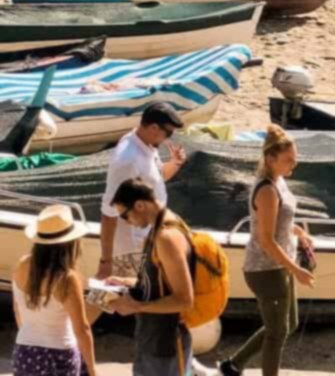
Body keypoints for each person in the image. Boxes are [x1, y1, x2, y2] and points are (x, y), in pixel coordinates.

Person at [218, 126, 313, 376]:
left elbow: (277, 222)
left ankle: (233, 365)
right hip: (265, 268)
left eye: (295, 158)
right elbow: (267, 240)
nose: (294, 164)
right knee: (276, 332)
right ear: (271, 159)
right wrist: (297, 270)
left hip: (282, 264)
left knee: (287, 324)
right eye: (289, 160)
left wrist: (297, 232)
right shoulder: (268, 190)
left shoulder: (279, 181)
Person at [105, 177, 200, 376]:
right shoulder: (159, 229)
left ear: (139, 205)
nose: (127, 222)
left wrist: (136, 306)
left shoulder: (166, 238)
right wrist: (126, 283)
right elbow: (160, 283)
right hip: (153, 340)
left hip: (165, 345)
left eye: (125, 216)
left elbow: (184, 299)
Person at [100, 102, 187, 283]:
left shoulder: (145, 145)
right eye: (168, 133)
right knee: (130, 299)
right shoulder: (127, 161)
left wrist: (175, 163)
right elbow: (108, 213)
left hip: (148, 239)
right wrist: (106, 261)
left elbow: (157, 179)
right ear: (154, 127)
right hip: (132, 247)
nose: (168, 138)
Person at [12, 204, 100, 376]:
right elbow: (82, 328)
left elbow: (17, 310)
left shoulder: (22, 265)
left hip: (24, 350)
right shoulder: (66, 278)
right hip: (58, 353)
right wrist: (92, 369)